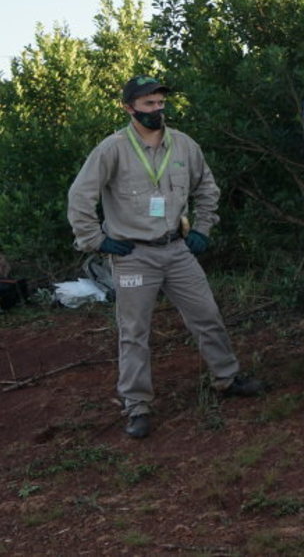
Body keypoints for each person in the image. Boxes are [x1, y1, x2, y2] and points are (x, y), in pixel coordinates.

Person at [67, 76, 263, 440]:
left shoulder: (185, 146)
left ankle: (227, 378)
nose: (157, 110)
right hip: (133, 255)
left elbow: (207, 187)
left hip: (177, 250)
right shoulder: (112, 149)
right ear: (129, 108)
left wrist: (203, 227)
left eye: (160, 103)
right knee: (134, 332)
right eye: (148, 105)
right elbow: (80, 196)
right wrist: (96, 240)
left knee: (207, 315)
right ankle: (137, 405)